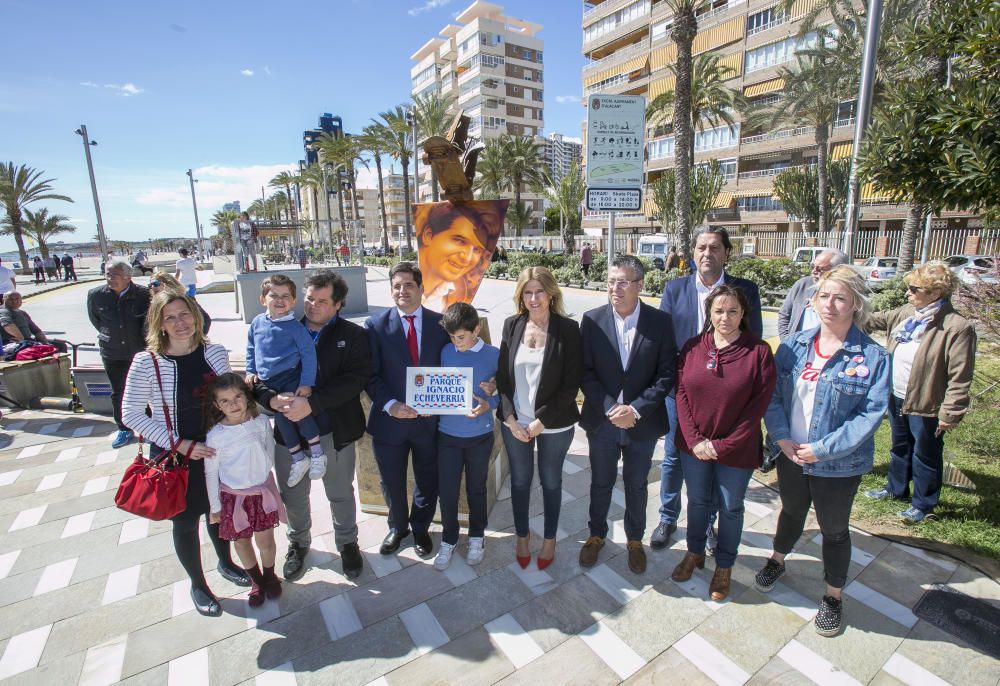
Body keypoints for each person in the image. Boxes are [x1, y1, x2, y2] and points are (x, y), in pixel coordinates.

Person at [755, 266, 890, 637]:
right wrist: (781, 438)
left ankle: (833, 596)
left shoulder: (873, 358)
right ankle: (777, 559)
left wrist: (822, 449)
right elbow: (773, 397)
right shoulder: (795, 345)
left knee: (834, 530)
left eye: (840, 298)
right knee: (792, 510)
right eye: (824, 296)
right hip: (792, 454)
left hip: (839, 464)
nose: (830, 305)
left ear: (856, 304)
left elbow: (869, 416)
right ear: (813, 300)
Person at [121, 292, 250, 616]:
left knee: (217, 511)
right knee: (186, 521)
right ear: (159, 324)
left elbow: (232, 398)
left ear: (195, 315)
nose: (180, 323)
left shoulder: (214, 353)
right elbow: (131, 414)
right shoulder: (147, 362)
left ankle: (225, 562)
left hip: (216, 450)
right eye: (170, 318)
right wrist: (179, 444)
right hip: (176, 455)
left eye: (185, 314)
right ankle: (198, 583)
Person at [252, 270, 370, 581]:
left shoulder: (354, 336)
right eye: (308, 299)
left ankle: (347, 544)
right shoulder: (279, 327)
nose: (312, 306)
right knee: (293, 494)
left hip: (333, 431)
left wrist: (312, 403)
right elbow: (258, 375)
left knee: (340, 493)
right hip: (287, 430)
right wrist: (271, 401)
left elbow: (355, 380)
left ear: (338, 304)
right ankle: (298, 544)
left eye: (321, 301)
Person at [653, 226, 763, 551]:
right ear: (693, 252)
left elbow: (752, 340)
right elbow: (663, 341)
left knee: (717, 458)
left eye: (714, 248)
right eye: (701, 247)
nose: (707, 253)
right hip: (681, 394)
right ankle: (667, 516)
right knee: (674, 457)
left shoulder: (745, 291)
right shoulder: (675, 289)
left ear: (727, 253)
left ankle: (713, 524)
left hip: (724, 397)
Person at [671, 285, 776, 600]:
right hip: (694, 447)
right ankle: (694, 553)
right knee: (698, 501)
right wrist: (695, 440)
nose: (725, 317)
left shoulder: (758, 353)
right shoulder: (692, 347)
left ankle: (725, 565)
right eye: (719, 311)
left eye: (733, 311)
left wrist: (721, 446)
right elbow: (681, 395)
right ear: (709, 313)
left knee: (730, 507)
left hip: (737, 450)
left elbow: (756, 409)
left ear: (744, 313)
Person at [579, 255, 676, 574]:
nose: (614, 288)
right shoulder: (591, 320)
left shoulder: (659, 322)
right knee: (600, 482)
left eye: (622, 282)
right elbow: (586, 372)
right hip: (602, 422)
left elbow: (666, 375)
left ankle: (635, 540)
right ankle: (596, 535)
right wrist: (610, 408)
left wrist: (635, 409)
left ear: (640, 285)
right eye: (611, 281)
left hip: (641, 423)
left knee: (636, 484)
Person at [864, 261, 976, 523]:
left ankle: (924, 504)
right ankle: (895, 489)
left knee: (925, 452)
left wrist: (950, 412)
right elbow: (875, 320)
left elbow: (960, 375)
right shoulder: (907, 313)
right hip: (898, 395)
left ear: (935, 293)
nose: (908, 293)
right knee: (899, 445)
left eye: (915, 289)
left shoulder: (956, 327)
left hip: (927, 401)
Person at [496, 266, 582, 570]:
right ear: (521, 295)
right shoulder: (511, 325)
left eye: (539, 291)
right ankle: (522, 536)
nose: (534, 298)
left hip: (555, 423)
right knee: (520, 482)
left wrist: (541, 421)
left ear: (551, 293)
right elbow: (503, 378)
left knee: (550, 481)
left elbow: (571, 384)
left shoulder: (568, 330)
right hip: (515, 423)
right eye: (528, 292)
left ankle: (549, 539)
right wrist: (509, 418)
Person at [365, 262, 449, 558]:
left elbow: (452, 368)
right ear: (391, 290)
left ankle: (421, 529)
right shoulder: (375, 326)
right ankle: (398, 527)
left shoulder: (442, 324)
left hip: (429, 423)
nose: (402, 291)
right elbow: (370, 374)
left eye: (408, 285)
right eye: (397, 286)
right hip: (390, 423)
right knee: (391, 480)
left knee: (428, 479)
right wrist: (390, 405)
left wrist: (439, 401)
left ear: (421, 288)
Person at [204, 373, 287, 607]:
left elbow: (271, 452)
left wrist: (276, 486)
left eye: (238, 397)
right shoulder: (216, 436)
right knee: (241, 542)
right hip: (233, 498)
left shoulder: (260, 423)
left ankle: (270, 575)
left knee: (266, 541)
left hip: (261, 493)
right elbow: (211, 473)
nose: (233, 404)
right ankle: (256, 581)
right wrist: (215, 506)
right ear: (216, 404)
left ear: (246, 396)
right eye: (225, 401)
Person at [433, 302, 500, 571]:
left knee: (476, 489)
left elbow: (508, 392)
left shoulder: (494, 355)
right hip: (447, 435)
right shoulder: (446, 351)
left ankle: (476, 537)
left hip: (479, 437)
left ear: (476, 329)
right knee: (447, 491)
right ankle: (449, 539)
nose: (455, 342)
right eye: (451, 336)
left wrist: (490, 403)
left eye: (460, 336)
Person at [246, 274, 326, 488]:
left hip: (290, 378)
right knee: (281, 422)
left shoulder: (295, 328)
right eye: (274, 295)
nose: (280, 300)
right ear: (263, 299)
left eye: (286, 296)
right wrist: (250, 370)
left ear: (293, 302)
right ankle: (299, 458)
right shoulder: (257, 323)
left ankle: (317, 453)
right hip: (269, 382)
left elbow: (309, 355)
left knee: (298, 413)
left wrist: (306, 383)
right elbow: (252, 348)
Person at [87, 259, 150, 448]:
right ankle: (123, 428)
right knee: (118, 391)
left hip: (139, 352)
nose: (110, 278)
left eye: (114, 274)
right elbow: (96, 320)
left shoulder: (143, 295)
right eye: (107, 273)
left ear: (128, 277)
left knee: (146, 390)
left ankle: (149, 425)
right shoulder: (96, 295)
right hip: (112, 352)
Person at [415, 201, 505, 313]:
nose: (467, 258)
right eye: (460, 241)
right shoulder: (404, 289)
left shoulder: (456, 297)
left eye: (477, 250)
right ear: (428, 235)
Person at [779, 249, 849, 340]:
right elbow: (784, 315)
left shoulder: (848, 294)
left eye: (820, 269)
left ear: (837, 270)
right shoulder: (802, 285)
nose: (814, 271)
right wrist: (786, 340)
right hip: (797, 347)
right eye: (813, 266)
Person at [0, 291, 66, 351]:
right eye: (11, 299)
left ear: (21, 300)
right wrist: (21, 338)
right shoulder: (3, 311)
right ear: (3, 300)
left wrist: (45, 342)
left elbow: (36, 330)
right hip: (12, 343)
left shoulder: (22, 313)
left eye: (17, 299)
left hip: (28, 341)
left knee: (60, 345)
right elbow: (8, 325)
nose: (14, 301)